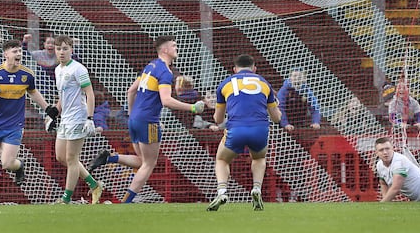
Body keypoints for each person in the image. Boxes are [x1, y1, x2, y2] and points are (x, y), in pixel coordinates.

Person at [87, 35, 205, 203]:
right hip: (148, 121)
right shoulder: (164, 71)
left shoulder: (150, 66)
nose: (176, 48)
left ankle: (110, 158)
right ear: (165, 50)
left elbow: (131, 91)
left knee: (143, 161)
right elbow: (166, 100)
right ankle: (126, 201)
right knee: (149, 164)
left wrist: (133, 113)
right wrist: (192, 107)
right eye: (173, 45)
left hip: (134, 119)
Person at [0, 39, 58, 205]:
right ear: (5, 54)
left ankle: (18, 166)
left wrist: (47, 108)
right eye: (15, 52)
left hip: (14, 126)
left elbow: (33, 92)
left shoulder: (27, 74)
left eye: (20, 51)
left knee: (7, 163)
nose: (19, 54)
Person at [206, 54, 282, 211]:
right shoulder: (263, 82)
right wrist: (277, 106)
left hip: (236, 128)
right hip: (260, 129)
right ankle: (256, 188)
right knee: (259, 158)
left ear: (234, 70)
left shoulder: (225, 84)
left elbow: (218, 120)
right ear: (254, 69)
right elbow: (276, 118)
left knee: (222, 159)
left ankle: (222, 191)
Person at [52, 35, 105, 204]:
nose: (61, 52)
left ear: (71, 50)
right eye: (59, 48)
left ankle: (66, 199)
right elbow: (63, 96)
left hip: (78, 117)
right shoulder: (57, 70)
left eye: (65, 48)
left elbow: (89, 93)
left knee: (71, 158)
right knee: (60, 156)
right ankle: (94, 184)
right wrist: (53, 114)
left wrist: (90, 118)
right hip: (65, 118)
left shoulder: (78, 69)